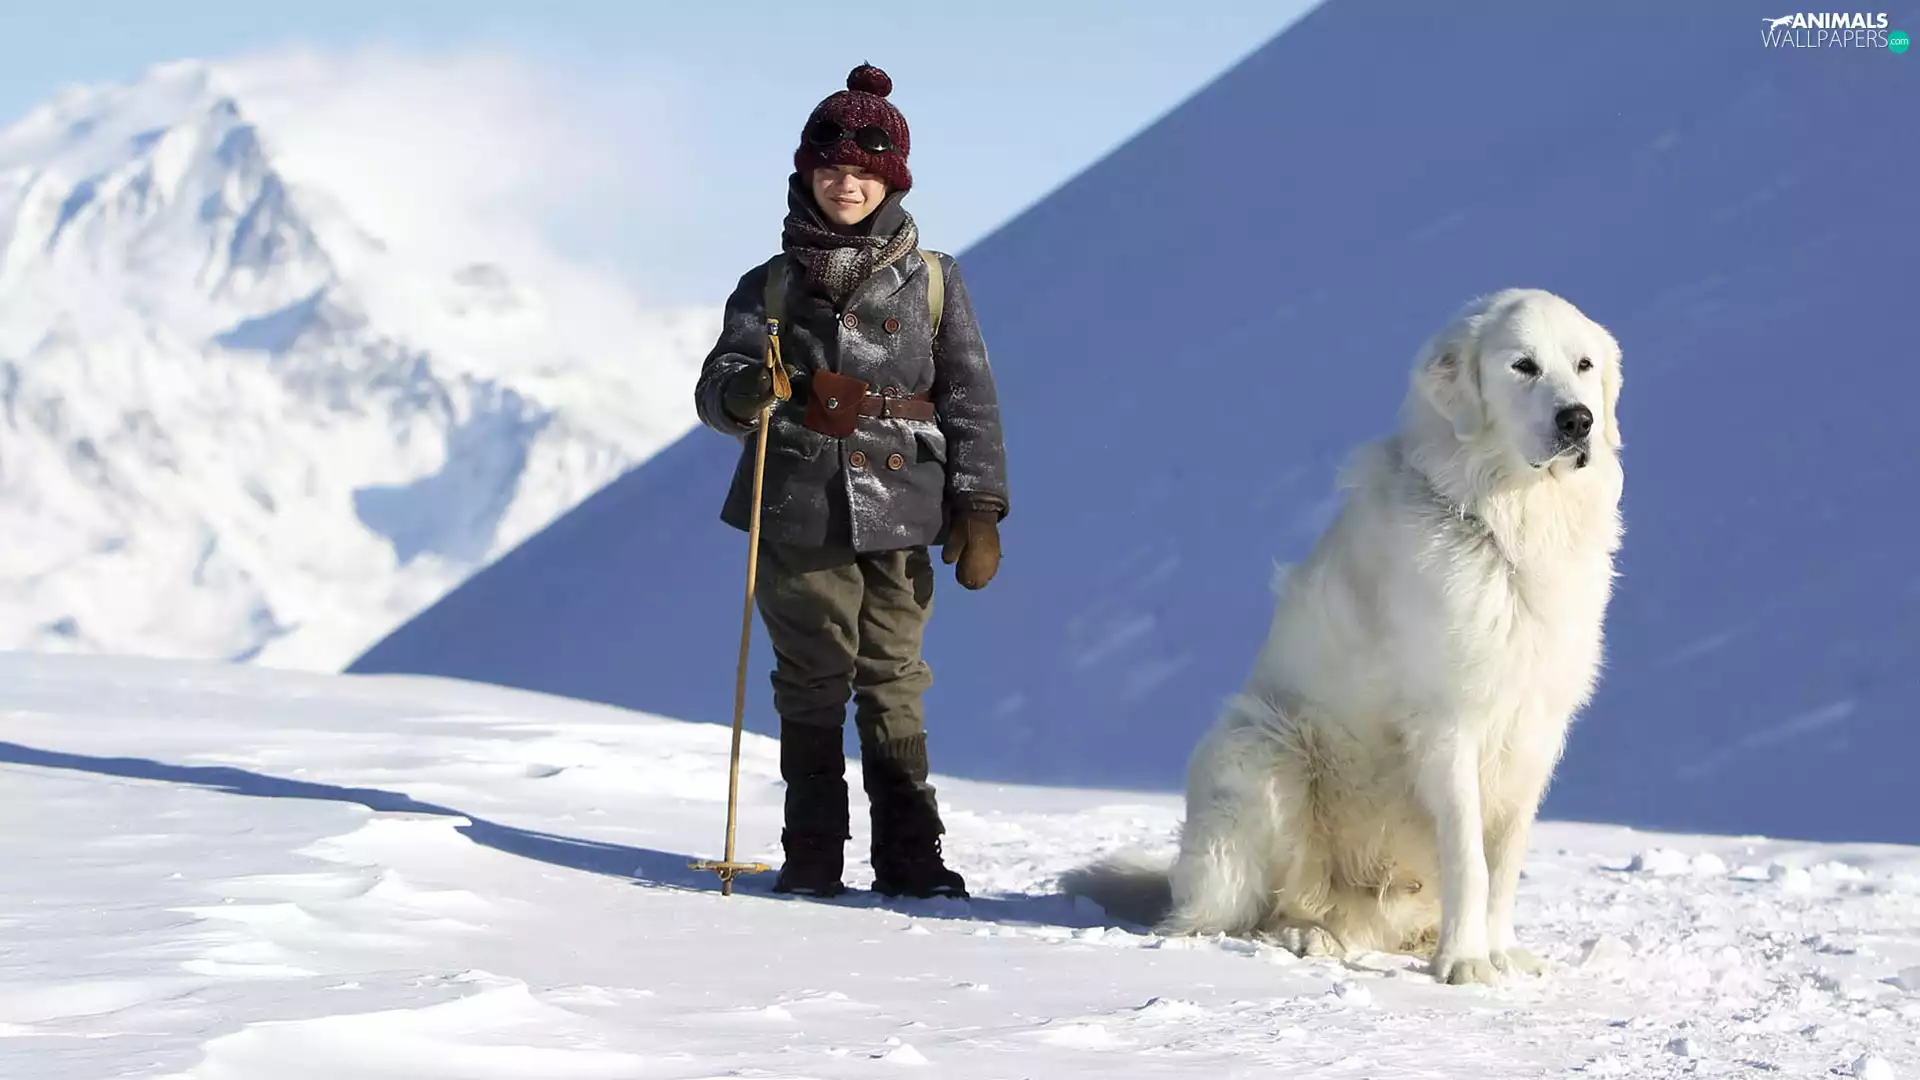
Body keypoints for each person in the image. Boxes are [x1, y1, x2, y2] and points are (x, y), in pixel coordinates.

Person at [692, 63, 1010, 899]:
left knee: (894, 675)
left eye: (866, 173)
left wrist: (980, 506)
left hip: (906, 504)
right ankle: (813, 852)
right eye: (832, 170)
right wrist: (743, 391)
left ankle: (911, 854)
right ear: (807, 174)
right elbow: (715, 389)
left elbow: (969, 392)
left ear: (891, 182)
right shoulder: (767, 284)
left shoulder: (935, 279)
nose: (847, 184)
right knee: (811, 674)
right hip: (796, 504)